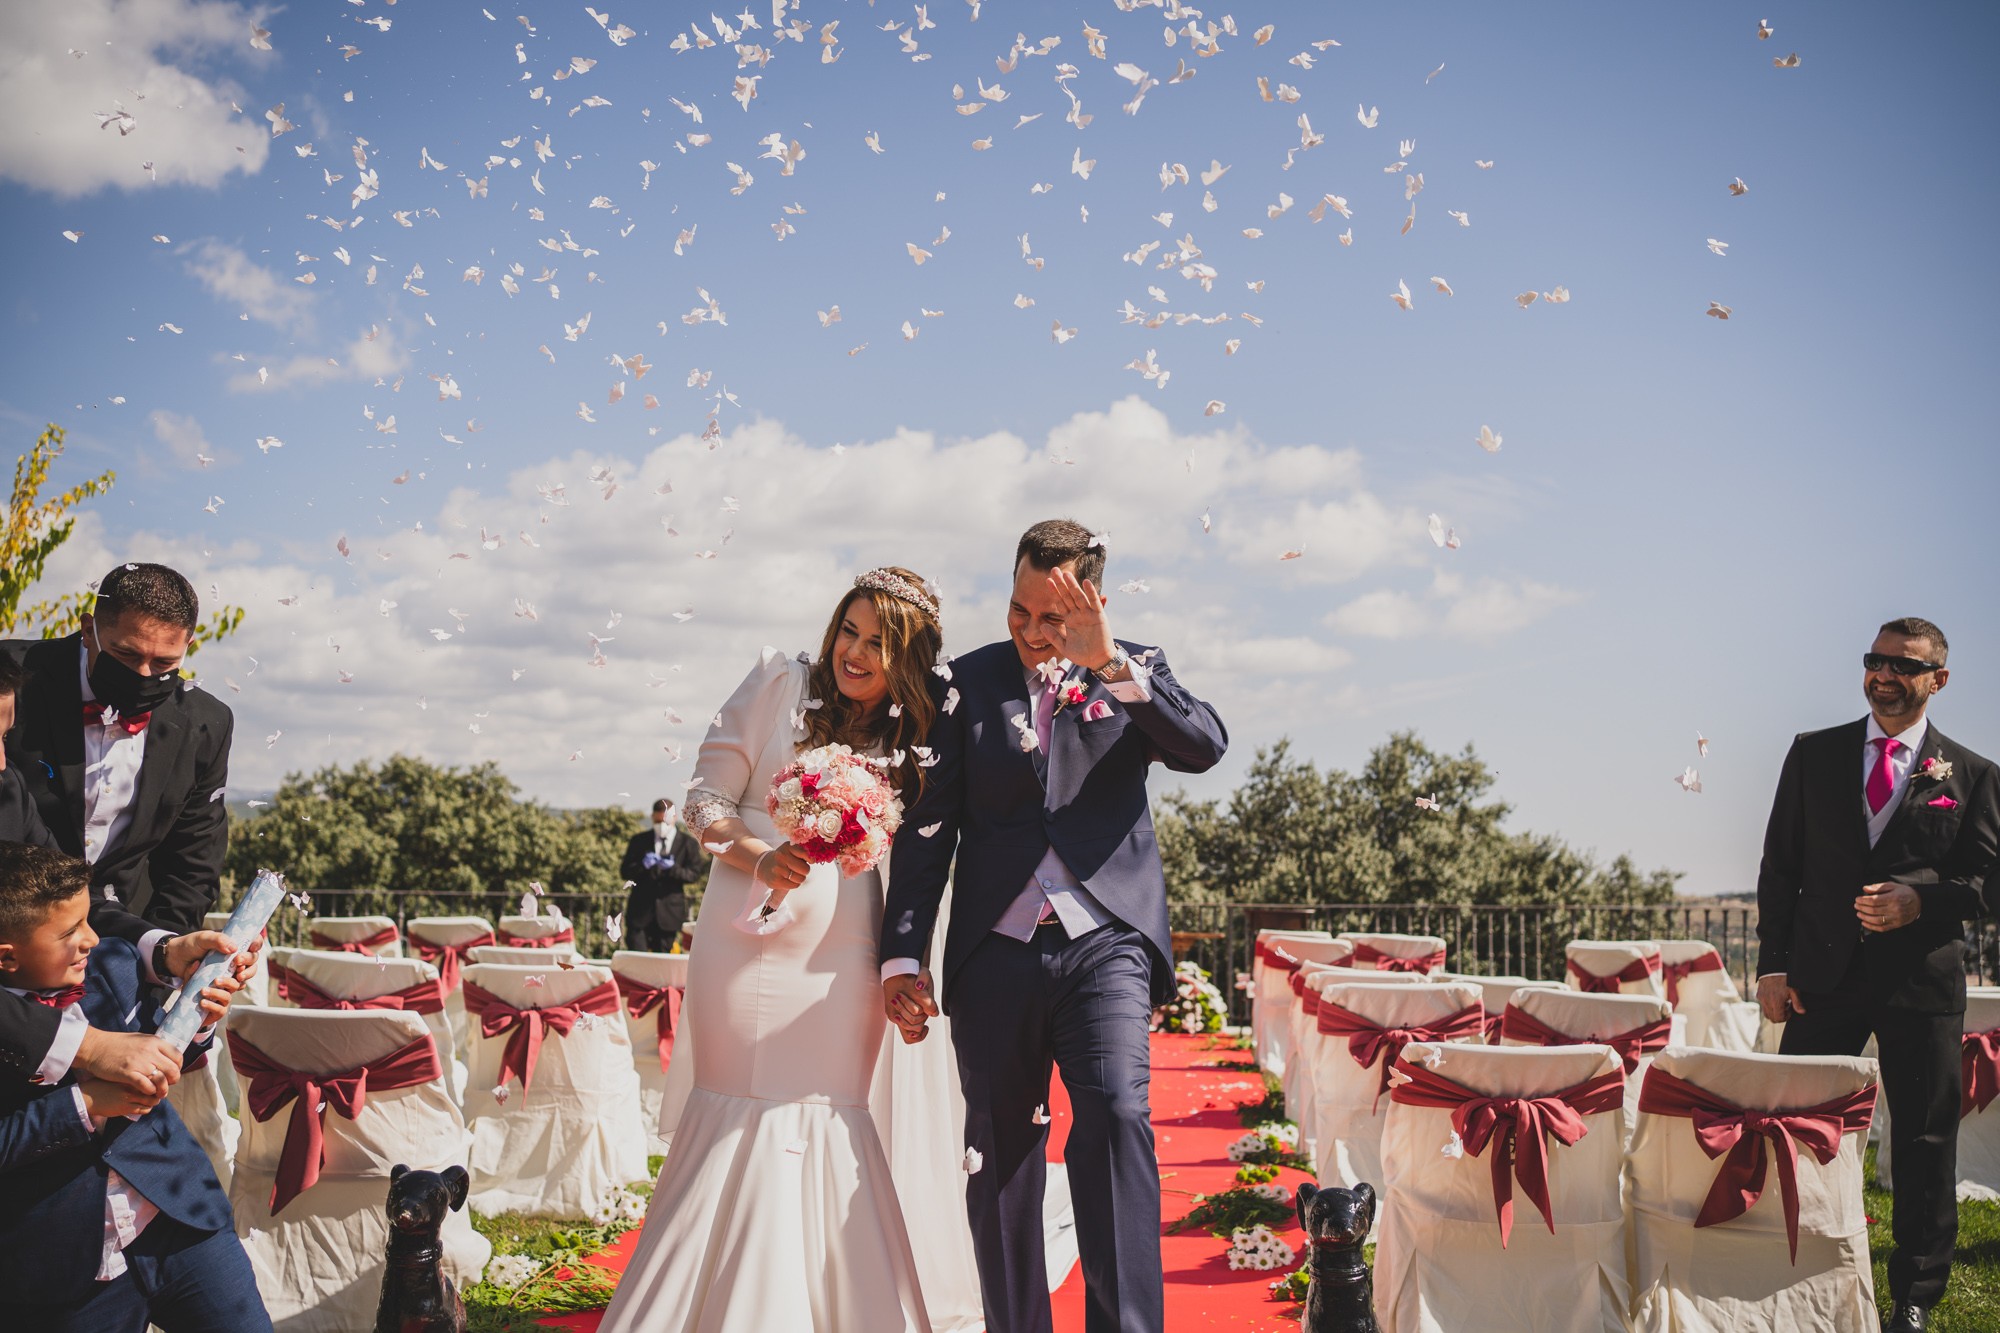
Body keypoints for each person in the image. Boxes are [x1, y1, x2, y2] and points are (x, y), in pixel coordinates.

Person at [600, 567, 977, 1333]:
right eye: (850, 629)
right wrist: (755, 853)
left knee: (832, 1109)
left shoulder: (916, 738)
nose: (856, 652)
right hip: (742, 943)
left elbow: (921, 862)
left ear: (907, 659)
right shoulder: (778, 682)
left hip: (845, 957)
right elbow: (706, 795)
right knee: (738, 1104)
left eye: (878, 642)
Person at [882, 519, 1228, 1333]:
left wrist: (1110, 660)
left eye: (1053, 617)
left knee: (1115, 1112)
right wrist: (904, 952)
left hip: (1105, 940)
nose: (1034, 634)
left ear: (1091, 602)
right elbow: (929, 830)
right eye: (1019, 611)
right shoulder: (964, 683)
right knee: (999, 1152)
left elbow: (1204, 746)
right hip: (993, 952)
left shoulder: (1133, 666)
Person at [1756, 616, 1999, 1332]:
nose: (1884, 675)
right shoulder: (1812, 753)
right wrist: (1772, 963)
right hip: (1820, 977)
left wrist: (1921, 901)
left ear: (1939, 679)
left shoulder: (1976, 776)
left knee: (1925, 1140)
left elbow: (1989, 885)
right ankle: (1786, 1265)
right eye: (1875, 660)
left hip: (1921, 982)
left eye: (1904, 665)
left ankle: (1915, 1295)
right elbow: (1781, 867)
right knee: (1795, 1122)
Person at [1, 566, 247, 1102]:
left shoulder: (205, 722)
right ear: (88, 629)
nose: (144, 673)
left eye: (164, 663)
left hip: (120, 949)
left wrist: (161, 959)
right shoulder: (12, 682)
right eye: (126, 655)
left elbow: (192, 863)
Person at [0, 842, 267, 1332]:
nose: (92, 939)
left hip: (180, 1218)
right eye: (69, 931)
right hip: (61, 1268)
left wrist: (200, 1020)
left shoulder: (113, 966)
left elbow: (157, 1053)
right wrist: (84, 1105)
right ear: (7, 957)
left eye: (88, 920)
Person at [618, 798, 705, 951]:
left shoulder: (688, 843)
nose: (661, 826)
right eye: (658, 822)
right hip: (640, 913)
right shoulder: (639, 841)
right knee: (637, 960)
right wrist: (643, 866)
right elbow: (625, 872)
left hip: (669, 913)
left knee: (661, 963)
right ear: (653, 817)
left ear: (674, 818)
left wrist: (673, 869)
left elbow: (694, 875)